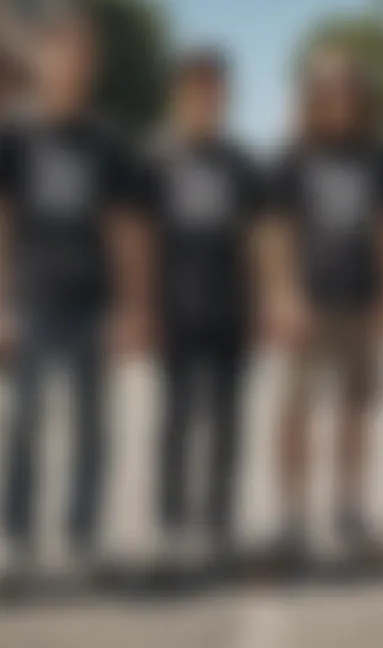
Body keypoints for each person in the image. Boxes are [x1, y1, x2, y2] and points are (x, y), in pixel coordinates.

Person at [0, 13, 147, 577]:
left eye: (82, 56)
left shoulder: (107, 141)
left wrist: (130, 308)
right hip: (31, 299)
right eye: (61, 53)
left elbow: (123, 231)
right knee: (22, 423)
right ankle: (13, 537)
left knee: (93, 429)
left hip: (93, 301)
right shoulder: (13, 134)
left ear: (91, 67)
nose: (70, 65)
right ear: (42, 60)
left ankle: (83, 535)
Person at [140, 49, 266, 561]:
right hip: (174, 308)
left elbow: (257, 240)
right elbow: (140, 240)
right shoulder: (153, 158)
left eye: (215, 90)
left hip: (230, 310)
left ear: (226, 97)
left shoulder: (242, 163)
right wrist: (143, 308)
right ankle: (171, 525)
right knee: (175, 422)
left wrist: (260, 308)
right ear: (177, 94)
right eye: (195, 88)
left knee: (228, 423)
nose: (206, 98)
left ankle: (217, 523)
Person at [264, 46, 383, 562]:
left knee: (354, 413)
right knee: (294, 412)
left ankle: (349, 508)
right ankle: (292, 516)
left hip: (360, 302)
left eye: (347, 88)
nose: (338, 98)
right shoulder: (293, 156)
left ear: (360, 98)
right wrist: (283, 293)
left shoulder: (376, 158)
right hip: (307, 305)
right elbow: (274, 231)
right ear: (313, 97)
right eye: (327, 89)